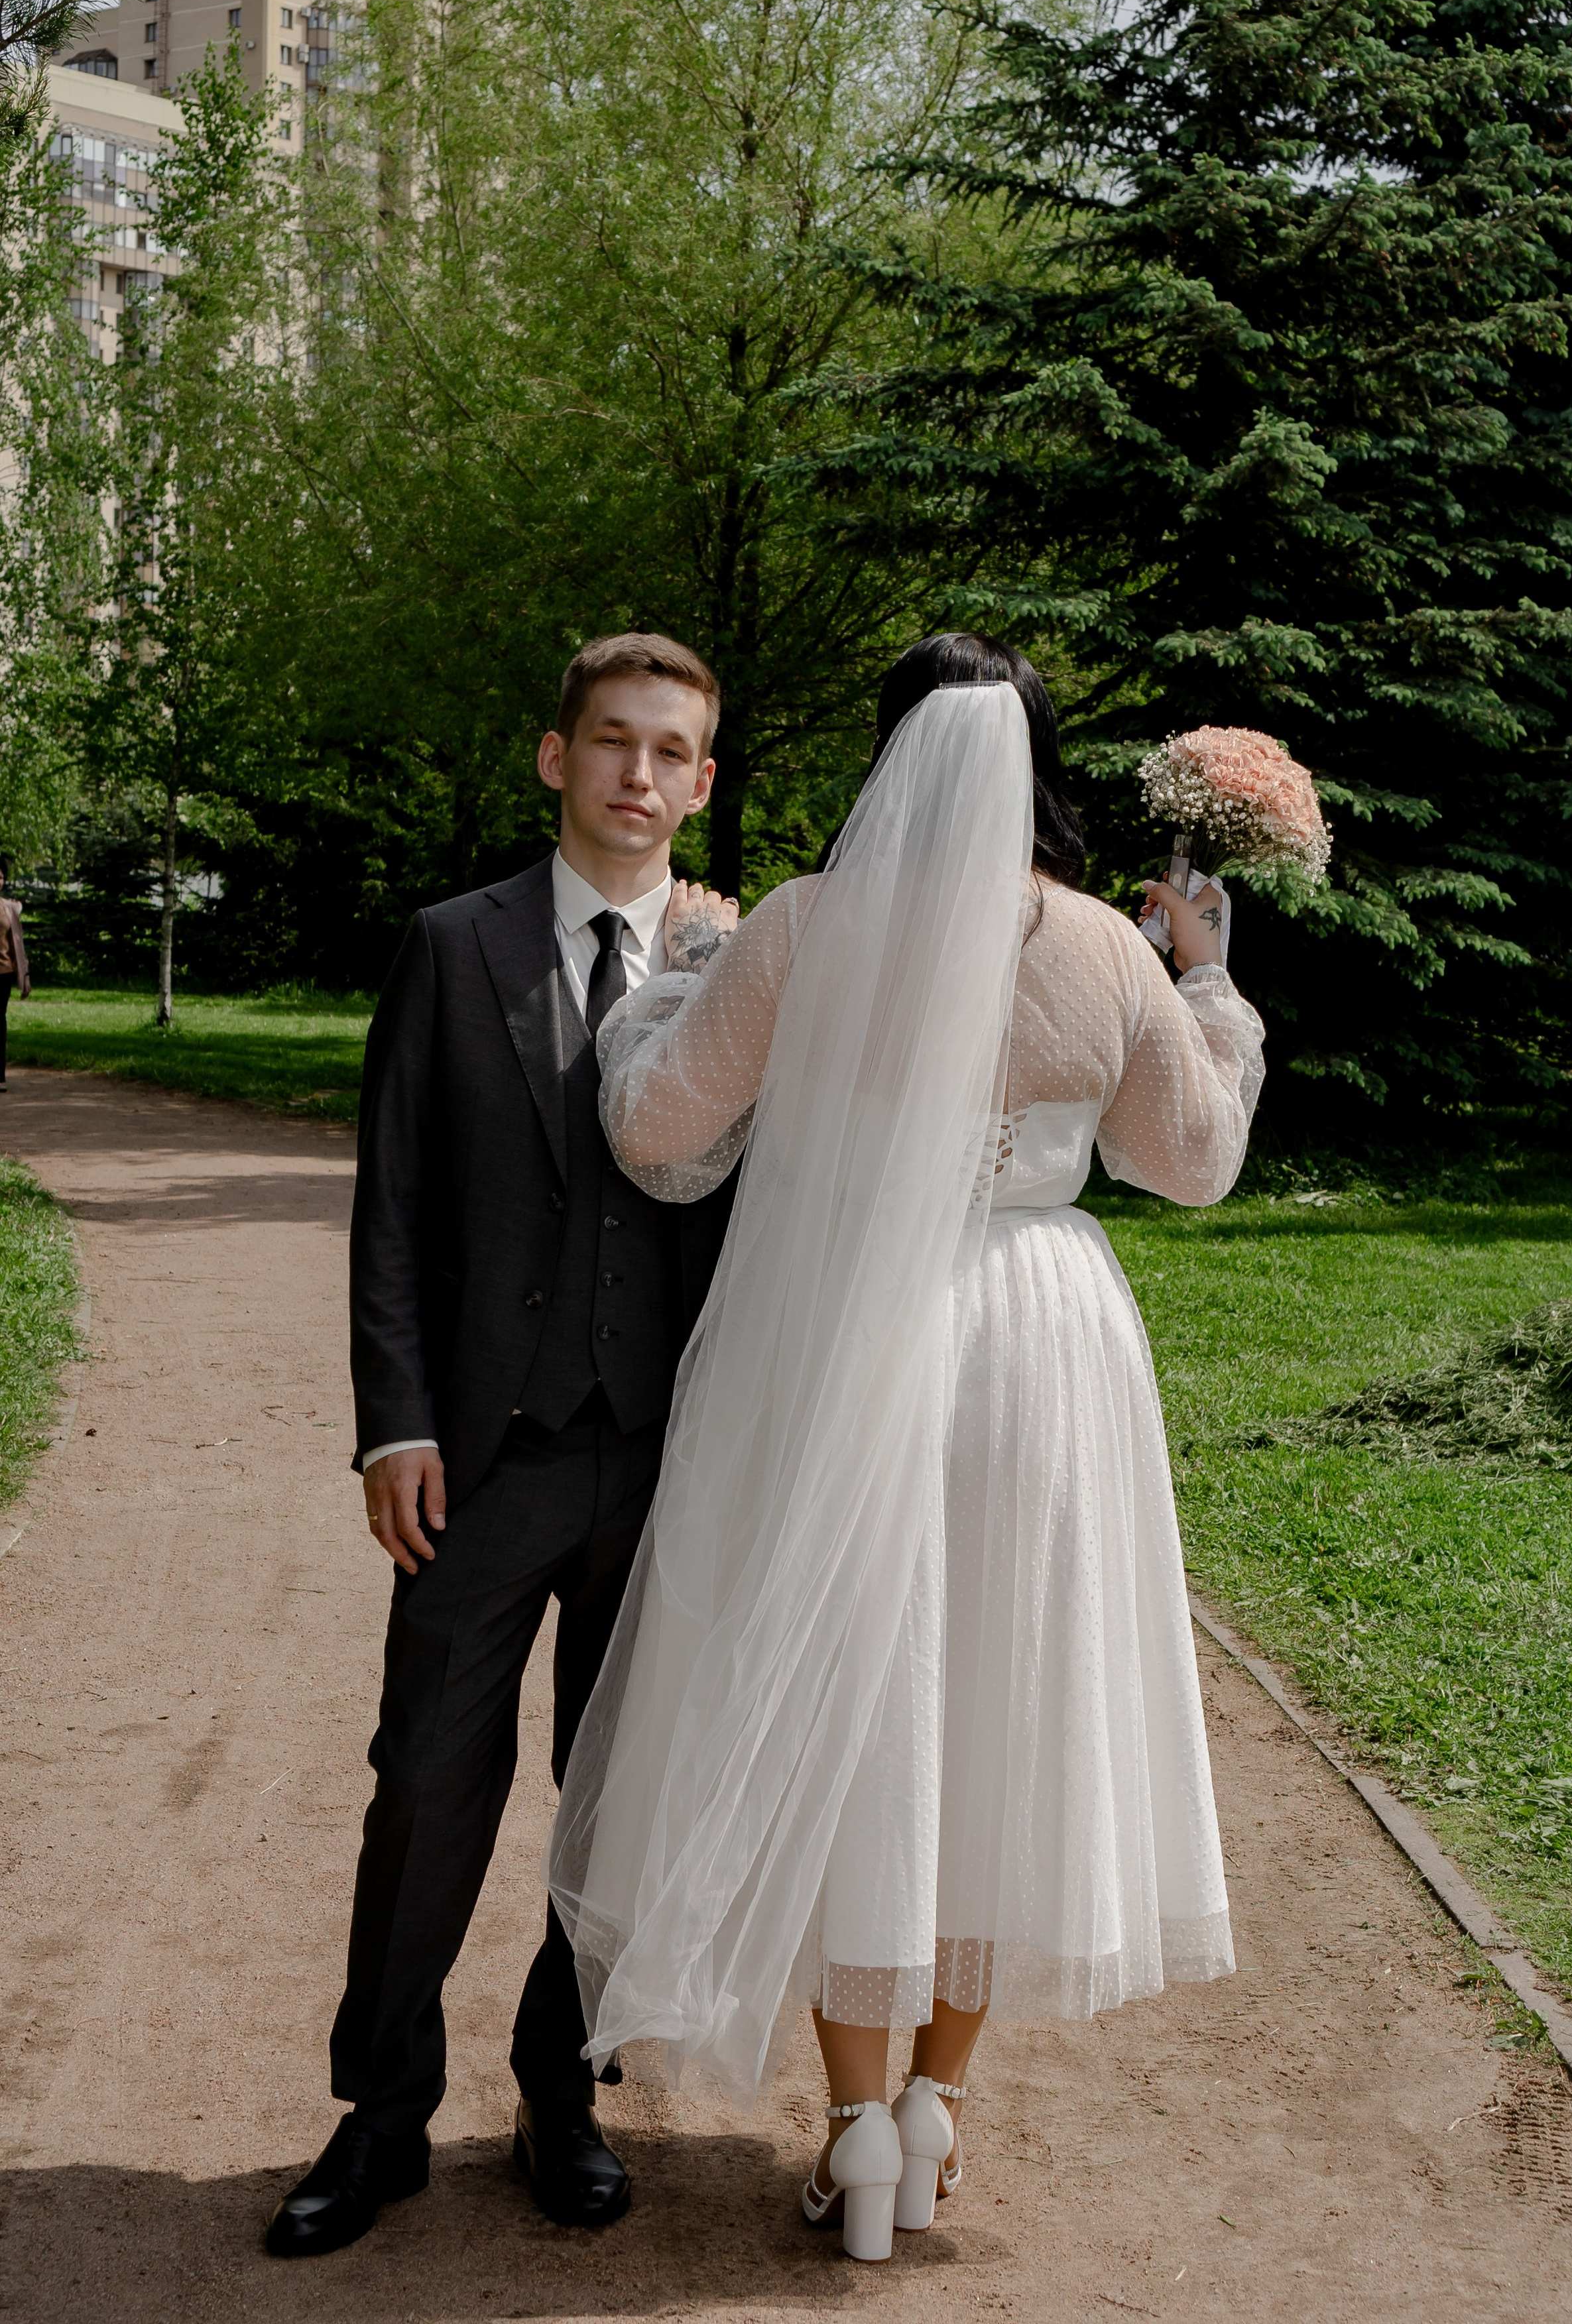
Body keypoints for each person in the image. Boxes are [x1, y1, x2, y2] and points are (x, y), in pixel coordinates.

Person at [548, 631, 1266, 2262]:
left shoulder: (804, 928)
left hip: (843, 1340)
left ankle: (860, 2121)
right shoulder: (1098, 946)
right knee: (1000, 1710)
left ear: (890, 761)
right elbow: (1188, 1160)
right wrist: (1208, 978)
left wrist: (672, 982)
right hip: (1040, 1346)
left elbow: (658, 1130)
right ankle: (939, 2100)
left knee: (864, 1715)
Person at [267, 633, 741, 2261]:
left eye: (669, 750)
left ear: (700, 778)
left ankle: (566, 2085)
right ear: (556, 759)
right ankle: (380, 2111)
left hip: (662, 1457)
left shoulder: (738, 959)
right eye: (609, 741)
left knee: (612, 1800)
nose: (637, 774)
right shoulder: (450, 946)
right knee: (427, 1784)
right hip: (484, 1456)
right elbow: (391, 1199)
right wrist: (391, 1419)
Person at [0, 860, 31, 1089]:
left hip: (4, 972)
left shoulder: (9, 909)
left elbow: (18, 946)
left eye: (0, 877)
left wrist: (25, 976)